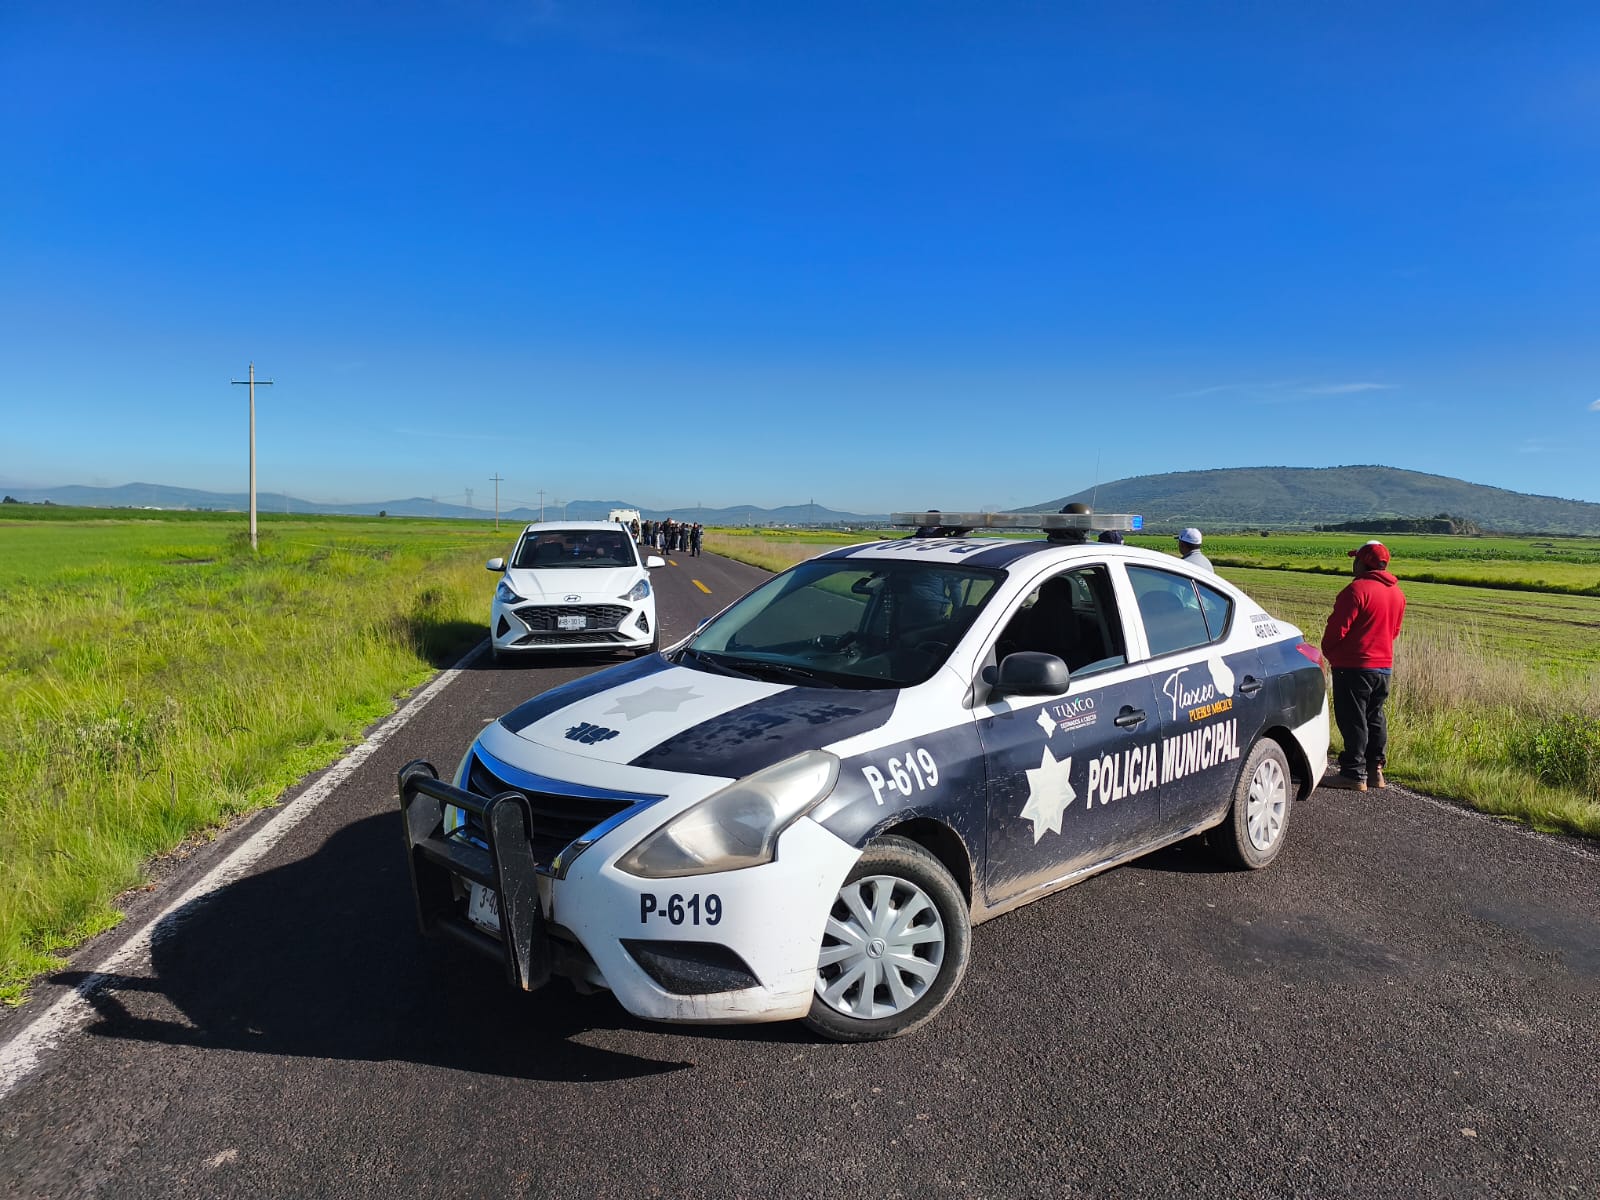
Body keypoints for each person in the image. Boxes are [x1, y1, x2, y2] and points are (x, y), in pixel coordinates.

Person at [1321, 540, 1406, 792]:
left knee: (1353, 719)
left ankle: (1352, 773)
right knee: (1375, 716)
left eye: (1356, 559)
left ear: (1363, 563)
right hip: (1384, 666)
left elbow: (1337, 630)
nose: (1353, 563)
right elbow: (1394, 632)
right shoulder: (1397, 594)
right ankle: (1375, 770)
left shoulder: (1356, 590)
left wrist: (1331, 653)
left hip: (1354, 665)